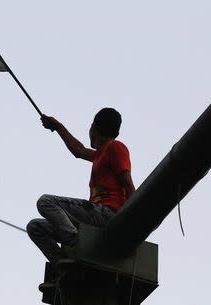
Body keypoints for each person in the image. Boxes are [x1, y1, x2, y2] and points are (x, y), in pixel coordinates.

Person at [26, 108, 135, 289]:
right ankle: (66, 266)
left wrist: (131, 220)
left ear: (94, 128)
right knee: (36, 227)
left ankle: (76, 244)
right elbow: (78, 150)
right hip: (94, 218)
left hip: (108, 214)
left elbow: (128, 184)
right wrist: (58, 127)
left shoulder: (115, 147)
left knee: (46, 202)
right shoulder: (100, 154)